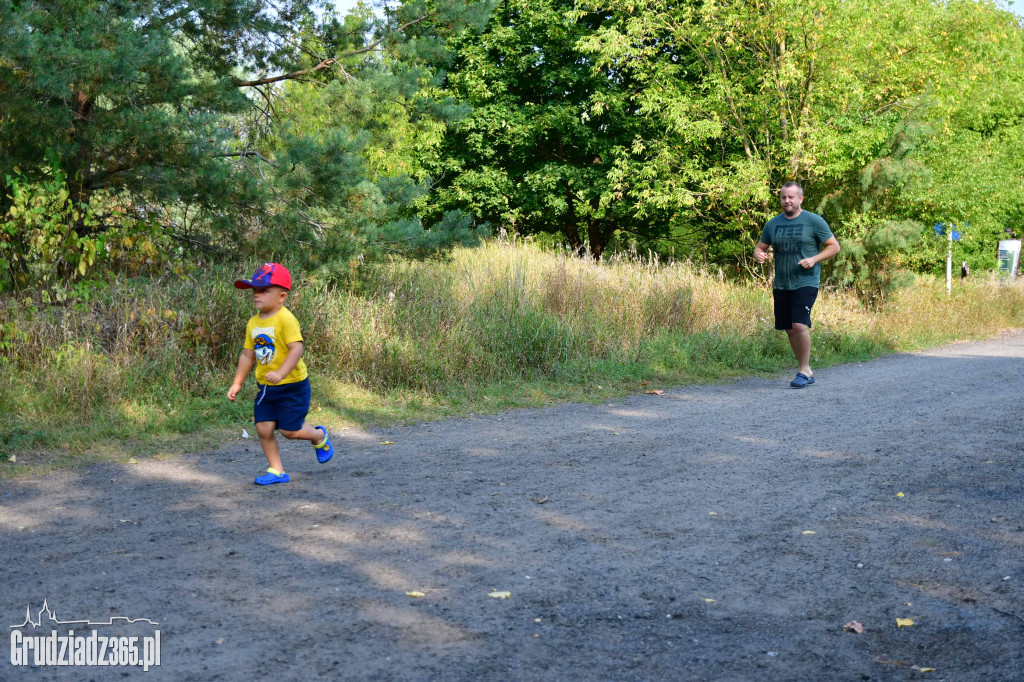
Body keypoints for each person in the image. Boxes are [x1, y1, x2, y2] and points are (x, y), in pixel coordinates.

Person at [227, 262, 333, 484]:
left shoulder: (286, 318)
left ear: (282, 296)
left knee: (290, 431)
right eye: (255, 290)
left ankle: (318, 436)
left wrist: (282, 373)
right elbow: (248, 355)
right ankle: (277, 470)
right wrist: (237, 383)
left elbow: (297, 349)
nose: (257, 294)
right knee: (263, 428)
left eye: (264, 290)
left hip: (293, 386)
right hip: (266, 387)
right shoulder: (253, 323)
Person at [754, 183, 840, 388]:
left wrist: (814, 259)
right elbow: (760, 246)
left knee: (799, 324)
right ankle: (806, 370)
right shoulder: (773, 224)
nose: (787, 201)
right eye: (784, 197)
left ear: (801, 199)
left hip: (806, 281)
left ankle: (804, 369)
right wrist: (758, 254)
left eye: (791, 197)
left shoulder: (813, 221)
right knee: (790, 329)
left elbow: (834, 247)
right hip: (782, 283)